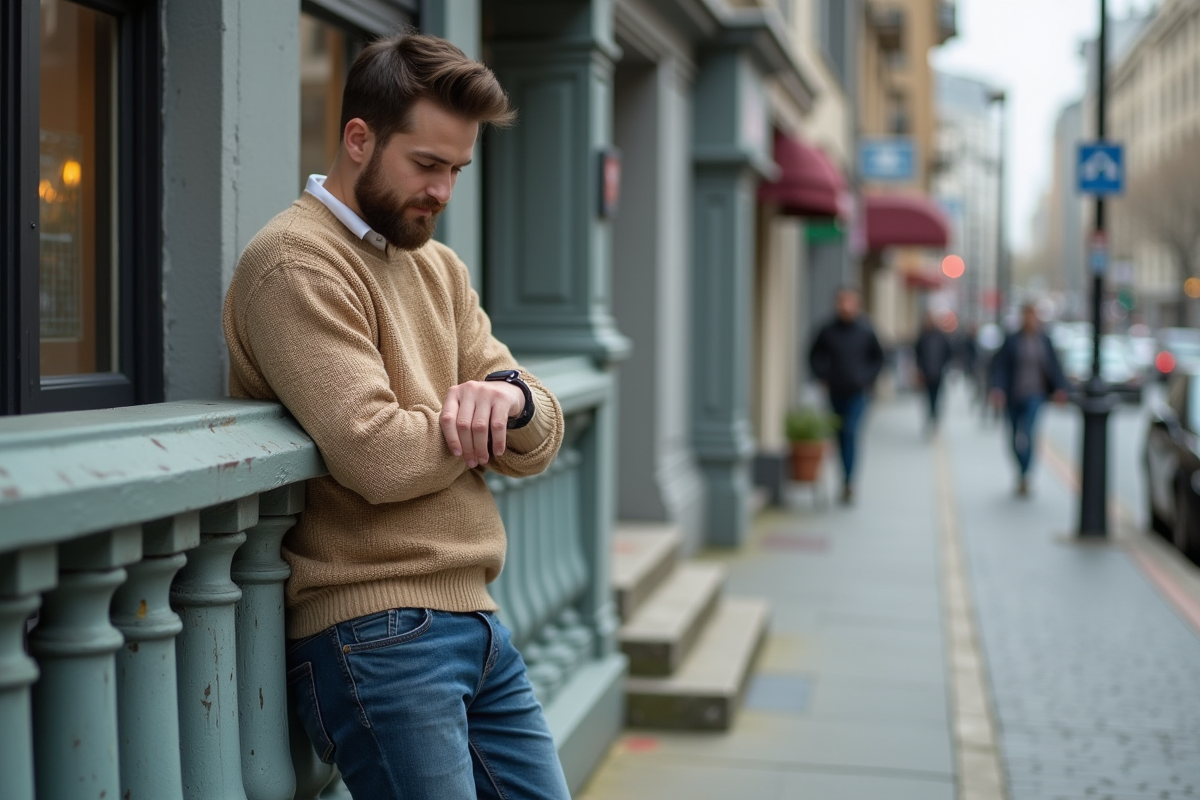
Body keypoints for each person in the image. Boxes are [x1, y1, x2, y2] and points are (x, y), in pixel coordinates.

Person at [223, 34, 571, 800]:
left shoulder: (437, 265)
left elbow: (538, 428)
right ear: (359, 138)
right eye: (427, 165)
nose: (443, 191)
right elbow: (377, 455)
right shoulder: (295, 263)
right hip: (375, 632)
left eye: (456, 170)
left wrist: (506, 400)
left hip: (477, 619)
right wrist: (483, 422)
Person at [809, 287, 885, 504]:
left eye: (849, 302)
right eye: (841, 301)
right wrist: (822, 376)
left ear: (857, 304)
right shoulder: (827, 330)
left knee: (850, 433)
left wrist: (867, 378)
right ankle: (842, 478)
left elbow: (878, 358)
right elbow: (814, 355)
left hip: (857, 393)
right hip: (835, 392)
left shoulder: (866, 330)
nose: (845, 306)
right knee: (838, 437)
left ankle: (849, 481)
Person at [989, 303, 1069, 497]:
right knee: (1014, 437)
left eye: (1034, 315)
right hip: (1013, 395)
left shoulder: (1044, 340)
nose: (1031, 319)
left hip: (1036, 395)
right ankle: (1020, 469)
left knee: (1029, 433)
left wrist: (1061, 388)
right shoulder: (1012, 340)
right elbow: (1000, 366)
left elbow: (1054, 366)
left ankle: (1026, 475)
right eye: (1028, 315)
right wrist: (998, 389)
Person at [914, 311, 955, 431]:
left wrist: (944, 366)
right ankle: (930, 416)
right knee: (928, 397)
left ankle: (935, 416)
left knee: (937, 396)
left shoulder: (941, 337)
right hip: (926, 373)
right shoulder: (923, 337)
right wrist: (919, 368)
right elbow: (918, 354)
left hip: (938, 373)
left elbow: (948, 353)